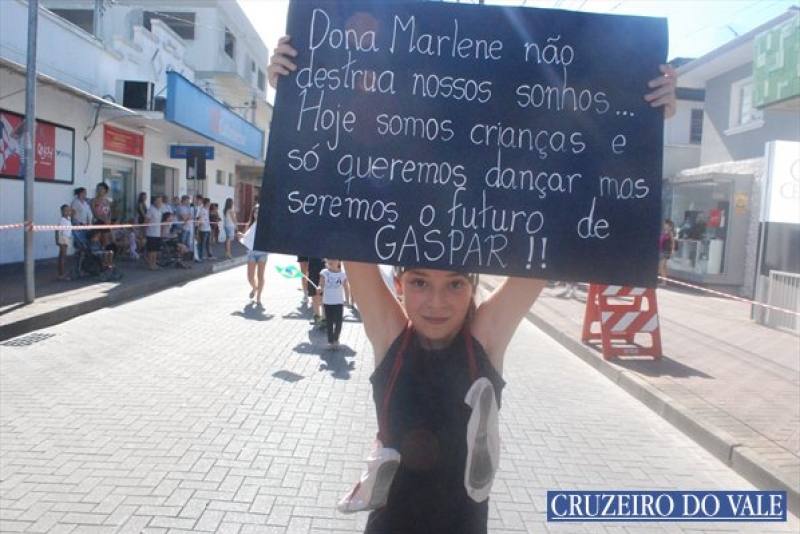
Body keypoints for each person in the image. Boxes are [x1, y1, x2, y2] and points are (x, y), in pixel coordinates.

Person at [269, 31, 676, 534]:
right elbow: (341, 207)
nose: (436, 301)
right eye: (420, 282)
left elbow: (560, 226)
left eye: (455, 285)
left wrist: (639, 118)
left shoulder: (484, 339)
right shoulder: (389, 336)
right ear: (398, 286)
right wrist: (296, 94)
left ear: (474, 290)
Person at [237, 204, 269, 308]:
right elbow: (246, 237)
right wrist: (241, 235)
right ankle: (255, 288)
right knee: (250, 276)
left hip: (262, 252)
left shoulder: (266, 225)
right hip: (251, 252)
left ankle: (259, 297)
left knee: (260, 275)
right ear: (253, 214)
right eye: (255, 212)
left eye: (259, 212)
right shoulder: (250, 224)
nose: (257, 214)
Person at [319, 258, 351, 349]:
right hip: (327, 302)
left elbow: (346, 288)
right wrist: (319, 288)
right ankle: (330, 342)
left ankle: (336, 339)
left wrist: (347, 300)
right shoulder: (324, 272)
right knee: (329, 323)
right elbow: (321, 285)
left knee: (338, 323)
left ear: (339, 261)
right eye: (329, 259)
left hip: (338, 303)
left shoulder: (343, 274)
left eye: (333, 259)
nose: (331, 261)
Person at [90, 182, 113, 247]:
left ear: (105, 190)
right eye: (98, 188)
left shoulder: (107, 201)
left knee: (105, 242)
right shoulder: (93, 200)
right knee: (96, 241)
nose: (99, 190)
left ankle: (105, 252)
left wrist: (109, 220)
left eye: (102, 189)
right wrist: (103, 219)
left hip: (106, 223)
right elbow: (94, 213)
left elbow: (109, 213)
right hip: (97, 222)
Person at [144, 195, 163, 270]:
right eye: (158, 201)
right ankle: (151, 264)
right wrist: (145, 232)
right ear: (154, 201)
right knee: (151, 250)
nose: (160, 202)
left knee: (156, 250)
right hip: (151, 233)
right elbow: (146, 221)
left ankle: (154, 263)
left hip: (157, 233)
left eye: (161, 201)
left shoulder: (160, 210)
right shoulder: (150, 210)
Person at [56, 204, 73, 281]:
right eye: (67, 210)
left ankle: (62, 273)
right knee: (63, 256)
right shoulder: (62, 220)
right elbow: (57, 230)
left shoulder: (68, 219)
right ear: (62, 211)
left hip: (67, 238)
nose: (69, 212)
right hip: (63, 238)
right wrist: (57, 239)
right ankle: (62, 274)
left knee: (63, 256)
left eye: (69, 210)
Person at [658, 218, 676, 286]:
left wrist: (672, 249)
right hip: (662, 250)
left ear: (668, 225)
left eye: (665, 224)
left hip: (665, 251)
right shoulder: (664, 232)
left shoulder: (670, 232)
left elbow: (673, 241)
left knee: (661, 266)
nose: (664, 225)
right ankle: (664, 281)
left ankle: (664, 282)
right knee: (663, 267)